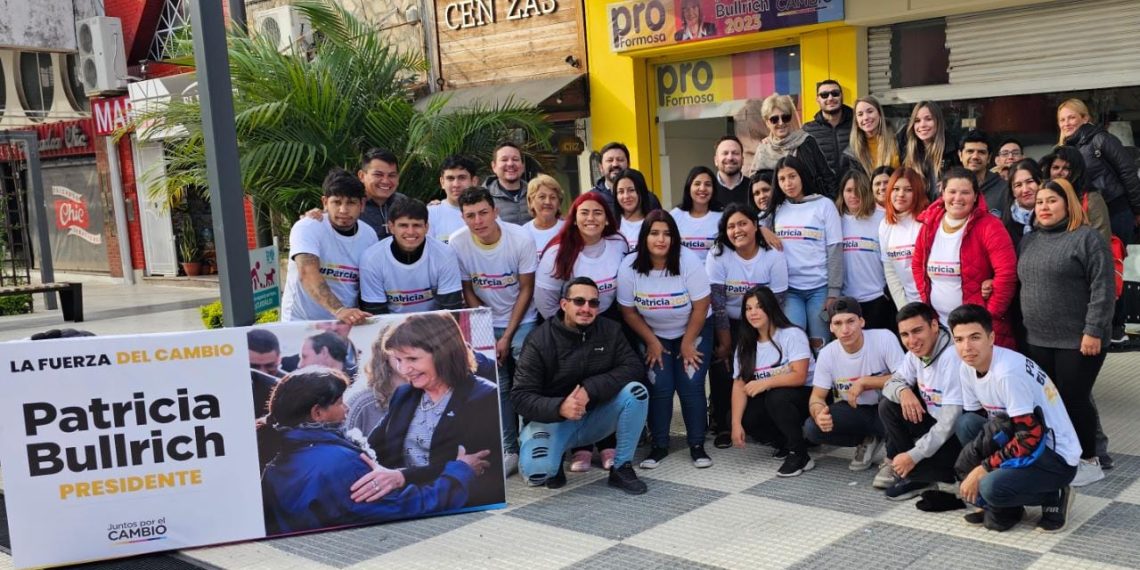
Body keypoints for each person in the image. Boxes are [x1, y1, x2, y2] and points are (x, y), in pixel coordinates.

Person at [259, 367, 486, 535]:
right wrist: (460, 471)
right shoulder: (340, 463)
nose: (346, 409)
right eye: (339, 402)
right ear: (317, 413)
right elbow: (407, 507)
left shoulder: (277, 458)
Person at [512, 277, 651, 494]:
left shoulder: (610, 330)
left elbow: (634, 367)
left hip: (594, 417)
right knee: (539, 473)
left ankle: (622, 467)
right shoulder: (539, 339)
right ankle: (553, 458)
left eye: (593, 303)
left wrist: (590, 389)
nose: (586, 308)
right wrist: (559, 407)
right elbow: (520, 397)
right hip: (553, 422)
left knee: (636, 392)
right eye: (579, 301)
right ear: (564, 304)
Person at [1017, 178, 1114, 487]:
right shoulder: (1029, 241)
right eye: (1040, 202)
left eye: (1052, 201)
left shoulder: (1087, 238)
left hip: (1079, 339)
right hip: (1037, 339)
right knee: (1048, 402)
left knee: (1074, 399)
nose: (1044, 207)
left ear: (1068, 203)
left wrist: (1093, 330)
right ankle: (1060, 455)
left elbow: (1103, 287)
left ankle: (1089, 459)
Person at [950, 305, 1081, 533]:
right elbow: (981, 426)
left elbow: (1029, 437)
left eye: (975, 337)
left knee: (990, 487)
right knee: (967, 424)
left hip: (1054, 456)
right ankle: (1009, 502)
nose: (966, 347)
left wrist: (982, 470)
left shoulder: (1007, 373)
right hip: (1020, 438)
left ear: (991, 338)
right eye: (959, 340)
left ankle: (1055, 493)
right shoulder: (967, 368)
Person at [361, 313, 503, 506]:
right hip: (406, 500)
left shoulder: (483, 396)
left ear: (443, 353)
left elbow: (472, 466)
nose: (404, 369)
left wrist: (401, 476)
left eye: (412, 358)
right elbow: (373, 447)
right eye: (398, 359)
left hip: (455, 503)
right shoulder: (404, 394)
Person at [449, 186, 539, 475]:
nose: (478, 221)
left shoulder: (520, 238)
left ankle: (531, 443)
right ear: (463, 218)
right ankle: (509, 447)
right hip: (484, 320)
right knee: (497, 385)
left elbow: (527, 288)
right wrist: (487, 332)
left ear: (495, 212)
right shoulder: (457, 242)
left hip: (521, 319)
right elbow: (467, 289)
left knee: (525, 380)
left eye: (483, 213)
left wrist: (508, 335)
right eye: (470, 215)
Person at [617, 209, 713, 469]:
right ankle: (659, 445)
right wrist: (651, 341)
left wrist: (687, 342)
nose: (661, 239)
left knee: (690, 384)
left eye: (667, 233)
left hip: (693, 329)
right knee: (660, 387)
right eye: (654, 233)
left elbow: (702, 306)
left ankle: (697, 444)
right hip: (652, 333)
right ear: (644, 237)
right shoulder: (629, 266)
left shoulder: (688, 261)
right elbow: (628, 311)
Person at [875, 302, 978, 509]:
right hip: (936, 424)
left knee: (962, 423)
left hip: (958, 435)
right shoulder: (916, 352)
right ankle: (917, 475)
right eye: (904, 335)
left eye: (917, 331)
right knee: (888, 405)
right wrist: (904, 392)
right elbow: (891, 384)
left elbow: (951, 420)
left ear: (934, 326)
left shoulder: (952, 355)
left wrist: (914, 455)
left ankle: (929, 470)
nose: (911, 341)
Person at [707, 203, 788, 448]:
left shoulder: (772, 256)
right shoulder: (718, 254)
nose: (737, 230)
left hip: (763, 320)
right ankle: (722, 425)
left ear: (756, 226)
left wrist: (762, 334)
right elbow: (718, 302)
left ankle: (767, 422)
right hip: (728, 321)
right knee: (723, 367)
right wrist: (725, 341)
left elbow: (779, 300)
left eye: (743, 223)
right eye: (731, 226)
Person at [913, 167, 1017, 347]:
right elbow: (917, 265)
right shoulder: (930, 224)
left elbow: (1006, 273)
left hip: (977, 330)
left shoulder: (990, 226)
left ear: (976, 195)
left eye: (965, 192)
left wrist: (988, 316)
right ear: (942, 193)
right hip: (941, 328)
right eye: (952, 192)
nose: (958, 198)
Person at [804, 297, 903, 470]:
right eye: (838, 323)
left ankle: (894, 457)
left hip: (888, 408)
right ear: (831, 327)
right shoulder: (827, 354)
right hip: (857, 410)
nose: (845, 329)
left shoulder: (884, 338)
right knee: (812, 428)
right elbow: (816, 397)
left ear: (862, 321)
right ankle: (867, 439)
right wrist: (819, 412)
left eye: (851, 321)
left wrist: (866, 382)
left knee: (896, 413)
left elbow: (905, 378)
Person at [730, 286, 816, 476]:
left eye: (759, 307)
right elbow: (739, 384)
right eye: (748, 308)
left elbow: (799, 376)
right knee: (744, 416)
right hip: (776, 397)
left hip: (806, 397)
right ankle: (786, 442)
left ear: (771, 308)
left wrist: (765, 382)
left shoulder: (791, 334)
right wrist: (736, 424)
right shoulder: (745, 344)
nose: (753, 313)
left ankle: (800, 455)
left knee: (776, 397)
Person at [761, 155, 843, 350]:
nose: (788, 183)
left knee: (820, 345)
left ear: (802, 176)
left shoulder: (824, 205)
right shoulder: (776, 209)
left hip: (820, 289)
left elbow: (835, 250)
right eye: (782, 179)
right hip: (789, 291)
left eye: (792, 176)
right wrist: (762, 229)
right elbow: (749, 226)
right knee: (795, 345)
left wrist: (833, 292)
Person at [281, 168, 377, 324]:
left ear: (362, 204)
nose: (343, 210)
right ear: (325, 202)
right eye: (336, 202)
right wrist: (339, 310)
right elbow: (307, 272)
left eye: (351, 202)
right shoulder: (308, 227)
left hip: (347, 323)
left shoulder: (369, 235)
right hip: (300, 323)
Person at [1058, 98, 1140, 251]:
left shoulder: (1100, 139)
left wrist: (1137, 210)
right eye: (1062, 119)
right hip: (1086, 218)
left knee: (1115, 264)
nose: (1066, 123)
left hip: (1116, 213)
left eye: (1071, 117)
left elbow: (1127, 172)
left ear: (1085, 118)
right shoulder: (1064, 151)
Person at [359, 197, 463, 314]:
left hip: (435, 326)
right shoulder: (371, 259)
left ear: (426, 227)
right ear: (391, 227)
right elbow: (376, 313)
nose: (410, 232)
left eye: (417, 225)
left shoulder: (445, 255)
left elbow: (451, 310)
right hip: (391, 327)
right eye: (403, 225)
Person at [535, 191, 628, 322]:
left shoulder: (619, 243)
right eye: (584, 213)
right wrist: (567, 330)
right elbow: (545, 304)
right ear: (574, 220)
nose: (591, 218)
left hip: (607, 319)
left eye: (598, 213)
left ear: (607, 219)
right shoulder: (556, 253)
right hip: (568, 324)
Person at [836, 169, 897, 331]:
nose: (853, 195)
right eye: (849, 190)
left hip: (877, 297)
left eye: (858, 190)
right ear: (842, 193)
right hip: (847, 301)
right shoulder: (835, 219)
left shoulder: (882, 217)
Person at [750, 93, 837, 197]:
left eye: (785, 117)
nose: (781, 123)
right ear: (767, 123)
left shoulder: (806, 141)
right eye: (774, 119)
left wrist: (832, 202)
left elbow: (827, 176)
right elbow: (755, 184)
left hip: (811, 204)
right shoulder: (763, 149)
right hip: (779, 209)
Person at [345, 327, 407, 436]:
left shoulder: (433, 398)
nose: (408, 352)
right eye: (402, 344)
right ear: (384, 351)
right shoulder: (363, 403)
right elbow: (342, 445)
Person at [899, 101, 959, 199]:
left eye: (928, 119)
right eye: (917, 120)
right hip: (917, 210)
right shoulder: (906, 150)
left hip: (944, 209)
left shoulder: (953, 149)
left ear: (938, 122)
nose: (922, 125)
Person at [590, 142, 662, 216]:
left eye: (620, 160)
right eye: (610, 160)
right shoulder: (592, 199)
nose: (615, 164)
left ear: (628, 164)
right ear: (601, 167)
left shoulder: (648, 198)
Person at [671, 165, 724, 261]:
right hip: (682, 273)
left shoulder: (722, 217)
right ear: (689, 187)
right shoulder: (675, 215)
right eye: (697, 184)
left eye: (708, 184)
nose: (702, 188)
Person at [803, 80, 854, 178]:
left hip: (855, 189)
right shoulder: (807, 130)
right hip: (823, 191)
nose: (830, 98)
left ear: (842, 96)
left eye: (835, 93)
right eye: (824, 95)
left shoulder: (857, 124)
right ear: (817, 99)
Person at [356, 148, 407, 241]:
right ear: (362, 176)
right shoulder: (351, 206)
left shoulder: (405, 204)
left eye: (391, 175)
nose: (385, 181)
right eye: (378, 175)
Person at [428, 155, 480, 244]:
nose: (456, 184)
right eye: (450, 178)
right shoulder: (430, 215)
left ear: (474, 181)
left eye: (462, 178)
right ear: (442, 182)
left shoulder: (486, 213)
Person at [844, 96, 900, 175]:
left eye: (870, 111)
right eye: (860, 114)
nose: (865, 117)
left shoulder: (898, 136)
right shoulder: (852, 152)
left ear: (879, 113)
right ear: (856, 120)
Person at [958, 130, 1008, 217]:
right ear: (960, 155)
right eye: (970, 151)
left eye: (981, 152)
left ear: (989, 158)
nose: (975, 156)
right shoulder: (949, 187)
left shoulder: (1004, 189)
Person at [483, 142, 532, 225]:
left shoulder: (535, 193)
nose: (510, 164)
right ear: (494, 166)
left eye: (515, 159)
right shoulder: (483, 197)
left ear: (523, 166)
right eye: (504, 160)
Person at [1001, 159, 1043, 249]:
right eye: (1018, 185)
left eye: (1030, 181)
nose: (1025, 190)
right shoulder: (1004, 224)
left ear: (1040, 182)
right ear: (1012, 191)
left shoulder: (1053, 216)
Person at [521, 174, 566, 256]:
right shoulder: (522, 233)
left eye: (553, 197)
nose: (547, 202)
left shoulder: (569, 230)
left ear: (559, 203)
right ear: (531, 202)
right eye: (542, 197)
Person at [614, 168, 653, 250]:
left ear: (641, 191)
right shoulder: (611, 225)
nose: (626, 196)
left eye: (631, 190)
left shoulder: (654, 223)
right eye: (621, 192)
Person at [712, 135, 752, 207]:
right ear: (716, 160)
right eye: (725, 153)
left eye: (735, 153)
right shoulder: (707, 190)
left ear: (742, 160)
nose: (730, 157)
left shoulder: (754, 188)